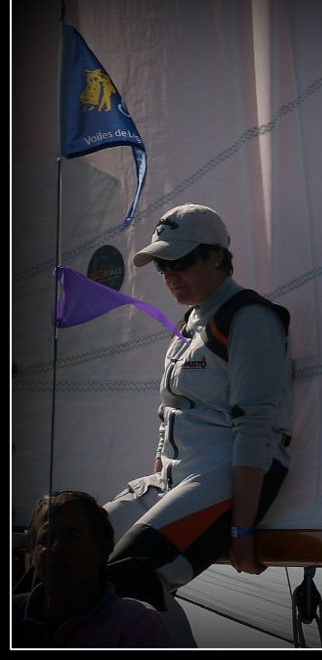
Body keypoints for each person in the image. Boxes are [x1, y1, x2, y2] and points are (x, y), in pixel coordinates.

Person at [101, 203, 293, 643]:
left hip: (226, 475)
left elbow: (255, 427)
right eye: (163, 265)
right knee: (56, 560)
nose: (171, 275)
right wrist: (156, 486)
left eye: (182, 261)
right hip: (175, 479)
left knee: (132, 576)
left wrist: (243, 530)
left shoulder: (249, 318)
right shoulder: (188, 325)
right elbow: (172, 414)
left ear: (217, 257)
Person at [12, 491, 176, 647]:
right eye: (46, 538)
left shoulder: (139, 626)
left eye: (72, 537)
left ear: (103, 548)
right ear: (32, 551)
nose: (57, 547)